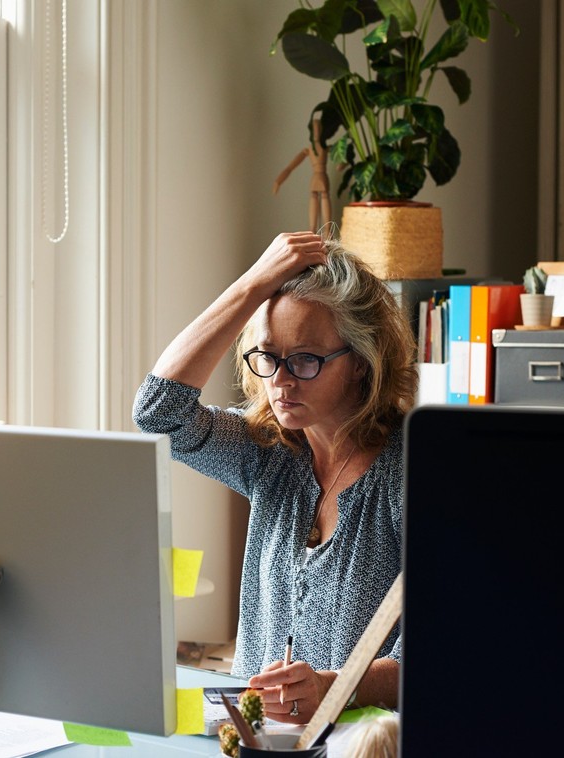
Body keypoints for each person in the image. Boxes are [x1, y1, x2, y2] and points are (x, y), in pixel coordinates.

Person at [132, 231, 416, 723]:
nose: (280, 381)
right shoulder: (270, 454)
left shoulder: (410, 474)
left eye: (305, 359)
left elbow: (440, 656)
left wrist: (334, 689)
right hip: (252, 738)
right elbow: (158, 411)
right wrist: (253, 285)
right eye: (267, 356)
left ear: (361, 362)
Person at [273, 119, 332, 233]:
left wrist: (343, 164)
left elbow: (343, 154)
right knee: (317, 198)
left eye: (318, 128)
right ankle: (312, 231)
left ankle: (327, 230)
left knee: (324, 197)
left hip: (322, 177)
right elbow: (290, 167)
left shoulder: (326, 148)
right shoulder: (308, 150)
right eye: (314, 129)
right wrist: (278, 181)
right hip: (317, 178)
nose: (316, 132)